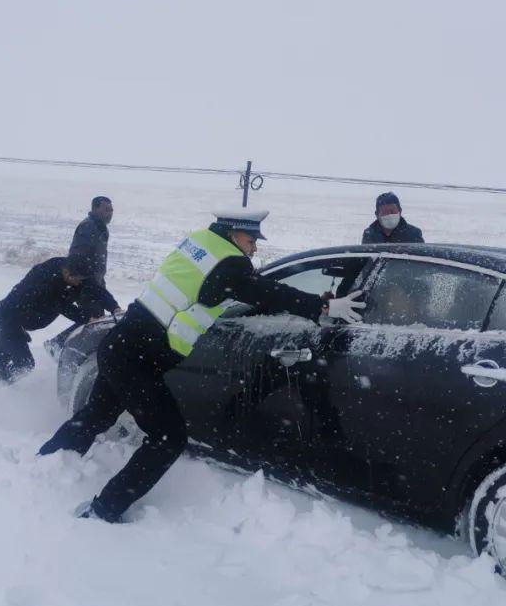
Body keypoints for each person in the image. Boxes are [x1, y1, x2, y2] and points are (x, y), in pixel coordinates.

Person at [38, 208, 366, 523]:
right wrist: (321, 305)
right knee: (169, 437)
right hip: (137, 358)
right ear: (234, 233)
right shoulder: (229, 264)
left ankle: (43, 468)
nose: (253, 248)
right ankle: (105, 510)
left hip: (122, 344)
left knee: (97, 414)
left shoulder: (200, 244)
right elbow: (264, 291)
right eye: (251, 241)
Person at [0, 256, 116, 382]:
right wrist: (87, 318)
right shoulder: (45, 280)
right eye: (77, 279)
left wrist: (114, 307)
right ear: (67, 272)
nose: (79, 283)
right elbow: (61, 305)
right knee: (23, 363)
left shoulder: (75, 272)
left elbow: (95, 289)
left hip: (14, 320)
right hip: (6, 318)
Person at [47, 197, 122, 354]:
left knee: (95, 319)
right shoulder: (88, 227)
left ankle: (62, 345)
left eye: (111, 209)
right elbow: (76, 254)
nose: (111, 212)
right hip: (85, 282)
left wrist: (99, 281)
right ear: (95, 209)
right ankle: (59, 345)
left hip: (96, 281)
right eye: (106, 209)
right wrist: (77, 278)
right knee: (92, 320)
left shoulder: (100, 228)